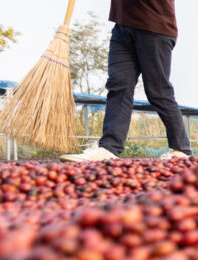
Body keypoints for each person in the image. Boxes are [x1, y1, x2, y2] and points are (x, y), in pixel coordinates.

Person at [62, 0, 191, 162]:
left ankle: (180, 148)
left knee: (158, 91)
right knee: (118, 86)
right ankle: (109, 147)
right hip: (122, 26)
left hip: (154, 26)